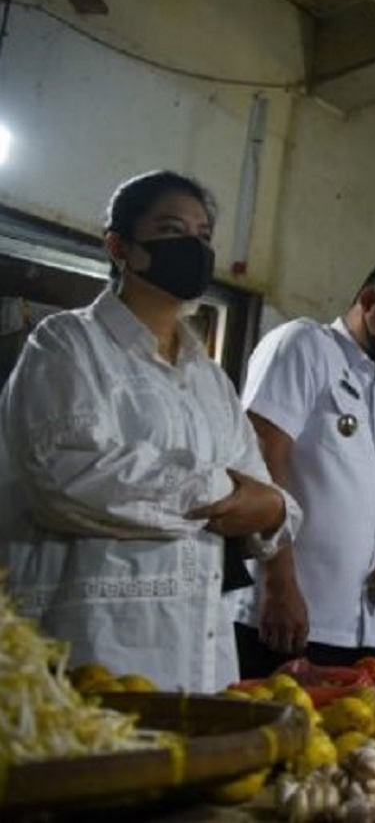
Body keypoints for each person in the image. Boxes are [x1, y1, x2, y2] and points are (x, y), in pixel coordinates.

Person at [0, 171, 300, 692]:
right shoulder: (67, 344)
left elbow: (267, 501)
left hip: (200, 650)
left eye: (203, 235)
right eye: (171, 229)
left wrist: (272, 509)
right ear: (119, 245)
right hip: (92, 650)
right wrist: (225, 495)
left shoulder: (209, 379)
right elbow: (70, 479)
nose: (193, 245)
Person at [234, 256, 375, 676]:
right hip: (290, 613)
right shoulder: (305, 347)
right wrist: (279, 583)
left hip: (365, 628)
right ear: (369, 300)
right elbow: (261, 458)